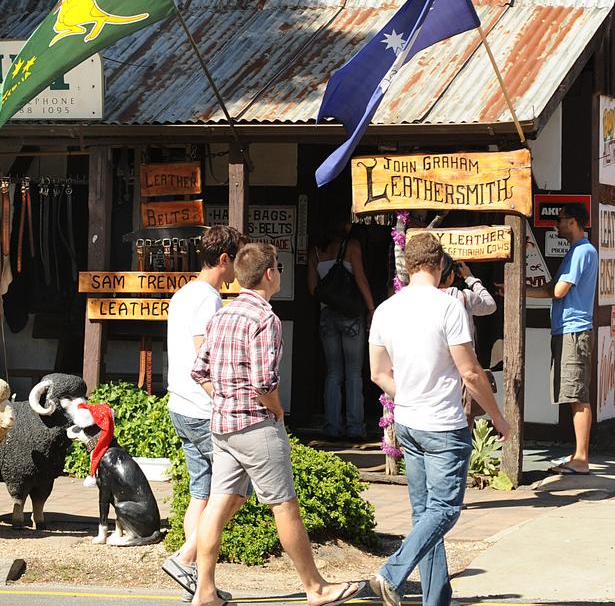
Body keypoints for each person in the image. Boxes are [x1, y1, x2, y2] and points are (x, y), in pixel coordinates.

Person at [190, 242, 364, 606]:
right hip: (256, 425)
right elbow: (264, 382)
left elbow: (199, 370)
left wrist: (223, 397)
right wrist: (278, 410)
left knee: (217, 506)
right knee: (285, 507)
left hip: (223, 425)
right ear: (269, 273)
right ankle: (315, 588)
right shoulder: (264, 318)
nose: (281, 274)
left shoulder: (222, 314)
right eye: (279, 269)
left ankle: (204, 590)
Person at [368, 233, 510, 606]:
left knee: (425, 515)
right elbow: (471, 373)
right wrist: (498, 417)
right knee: (444, 511)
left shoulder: (385, 309)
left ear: (409, 265)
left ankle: (437, 599)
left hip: (409, 422)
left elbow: (378, 373)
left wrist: (409, 394)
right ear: (439, 264)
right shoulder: (449, 307)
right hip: (444, 424)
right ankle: (391, 572)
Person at [161, 225, 244, 601]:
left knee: (202, 493)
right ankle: (184, 559)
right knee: (233, 491)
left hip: (180, 401)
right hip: (202, 407)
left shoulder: (183, 294)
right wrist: (222, 398)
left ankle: (193, 578)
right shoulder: (208, 299)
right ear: (224, 260)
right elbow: (203, 357)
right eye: (236, 260)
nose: (237, 271)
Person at [525, 202, 597, 476]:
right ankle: (578, 455)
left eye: (563, 220)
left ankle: (581, 458)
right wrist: (519, 290)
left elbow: (559, 289)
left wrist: (539, 289)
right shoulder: (575, 252)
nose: (558, 225)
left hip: (574, 329)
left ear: (575, 222)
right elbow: (551, 290)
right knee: (571, 392)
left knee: (577, 393)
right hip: (566, 329)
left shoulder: (582, 251)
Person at [308, 210, 376, 440]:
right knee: (354, 373)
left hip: (327, 315)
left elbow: (312, 289)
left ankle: (332, 426)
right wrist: (371, 308)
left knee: (333, 372)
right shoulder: (352, 245)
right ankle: (355, 427)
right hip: (350, 316)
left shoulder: (316, 251)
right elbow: (361, 278)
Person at [439, 253, 498, 425]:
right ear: (451, 275)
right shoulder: (463, 297)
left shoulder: (420, 299)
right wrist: (471, 278)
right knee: (464, 420)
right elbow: (490, 305)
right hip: (462, 369)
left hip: (436, 369)